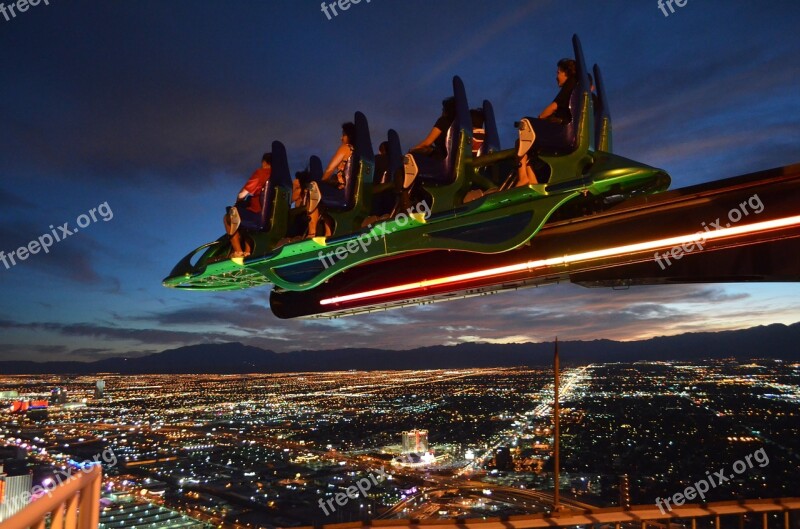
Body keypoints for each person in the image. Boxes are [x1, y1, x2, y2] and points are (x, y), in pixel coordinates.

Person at [516, 58, 577, 187]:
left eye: (558, 72)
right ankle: (533, 182)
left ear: (566, 72)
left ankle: (523, 177)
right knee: (531, 145)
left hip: (562, 130)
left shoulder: (570, 85)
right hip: (567, 129)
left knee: (525, 126)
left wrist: (539, 119)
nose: (556, 76)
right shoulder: (576, 87)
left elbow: (553, 107)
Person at [307, 122, 356, 238]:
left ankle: (312, 232)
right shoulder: (358, 152)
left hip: (342, 191)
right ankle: (328, 231)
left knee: (313, 187)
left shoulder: (346, 148)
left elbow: (329, 169)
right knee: (324, 194)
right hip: (353, 191)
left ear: (349, 136)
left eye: (343, 135)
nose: (341, 138)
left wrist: (322, 182)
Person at [224, 152, 272, 258]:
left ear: (264, 162)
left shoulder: (261, 172)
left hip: (258, 214)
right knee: (246, 213)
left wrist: (238, 201)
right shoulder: (279, 177)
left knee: (228, 217)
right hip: (272, 215)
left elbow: (242, 194)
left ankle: (238, 251)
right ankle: (248, 250)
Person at [403, 96, 456, 185]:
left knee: (409, 163)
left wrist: (411, 151)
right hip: (454, 162)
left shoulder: (443, 121)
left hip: (440, 161)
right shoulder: (459, 125)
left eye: (443, 109)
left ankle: (404, 193)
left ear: (447, 110)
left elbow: (427, 143)